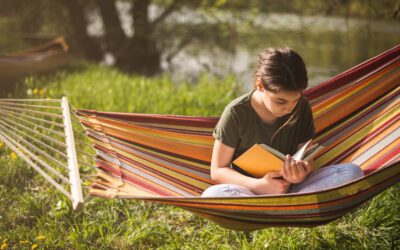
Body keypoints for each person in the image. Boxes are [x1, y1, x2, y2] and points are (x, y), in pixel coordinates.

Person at [202, 47, 363, 197]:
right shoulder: (236, 113)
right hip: (250, 190)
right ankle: (292, 207)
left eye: (295, 100)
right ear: (260, 85)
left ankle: (283, 208)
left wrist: (301, 174)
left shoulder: (302, 107)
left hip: (293, 187)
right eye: (281, 101)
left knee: (352, 172)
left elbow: (307, 160)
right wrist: (259, 185)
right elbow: (218, 170)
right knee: (212, 195)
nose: (289, 108)